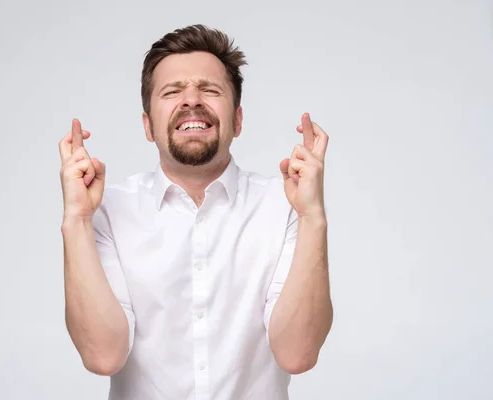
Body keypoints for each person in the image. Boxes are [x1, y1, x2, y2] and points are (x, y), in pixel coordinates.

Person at [58, 24, 333, 400]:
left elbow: (298, 353)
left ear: (237, 120)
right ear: (147, 126)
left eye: (210, 89)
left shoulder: (284, 205)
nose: (191, 100)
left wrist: (312, 217)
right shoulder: (108, 211)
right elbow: (103, 356)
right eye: (172, 91)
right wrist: (76, 219)